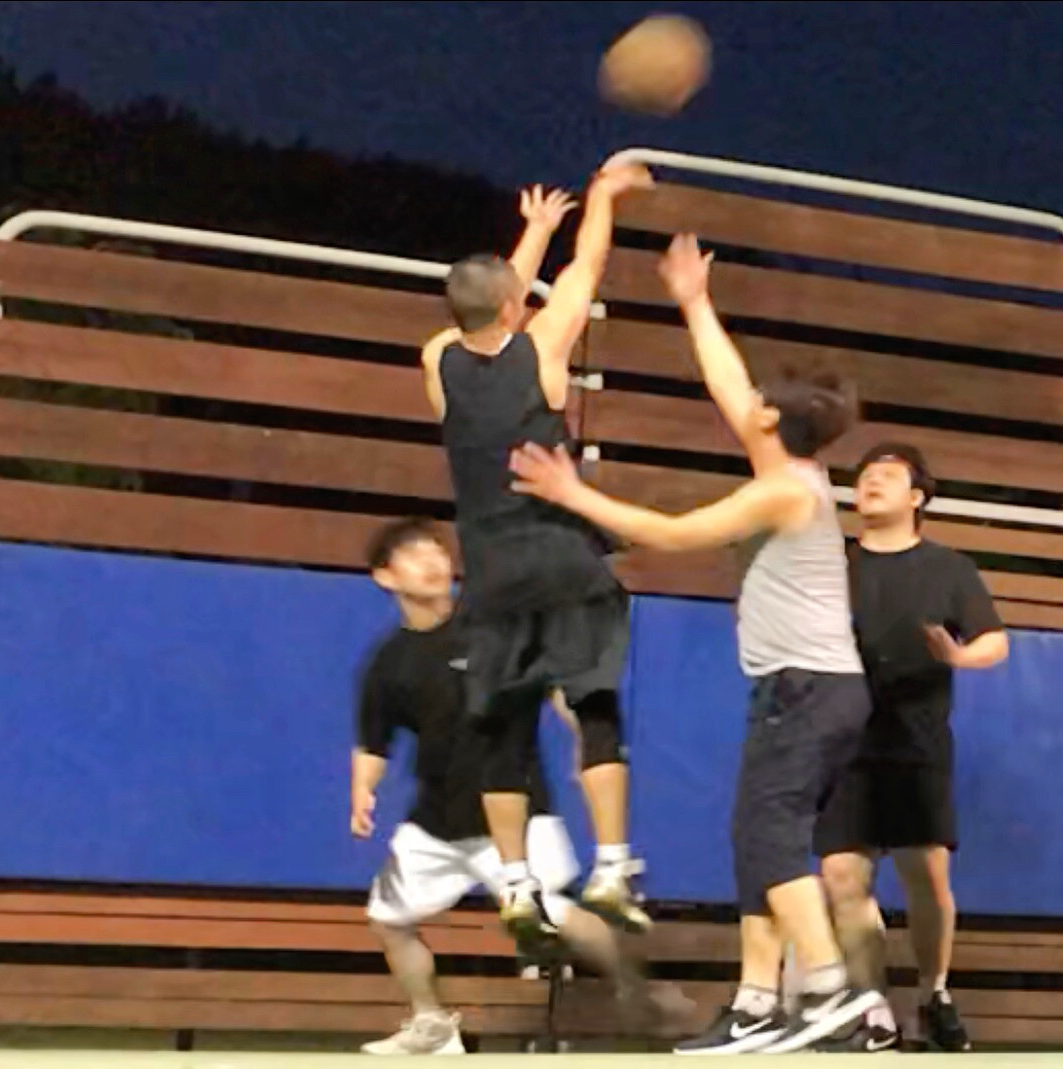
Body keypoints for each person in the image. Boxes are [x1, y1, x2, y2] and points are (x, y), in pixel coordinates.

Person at [510, 234, 884, 1054]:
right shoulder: (786, 464)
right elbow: (728, 385)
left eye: (758, 401)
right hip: (805, 686)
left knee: (770, 835)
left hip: (808, 686)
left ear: (771, 420)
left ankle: (827, 988)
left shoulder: (783, 490)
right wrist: (693, 301)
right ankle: (755, 1000)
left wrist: (572, 492)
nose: (744, 400)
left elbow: (673, 534)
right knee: (756, 838)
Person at [419, 167, 655, 944]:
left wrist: (534, 232)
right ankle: (612, 866)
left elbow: (495, 301)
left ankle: (516, 886)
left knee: (502, 729)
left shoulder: (437, 359)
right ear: (516, 306)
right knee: (594, 707)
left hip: (491, 573)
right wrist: (601, 199)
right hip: (562, 560)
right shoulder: (543, 350)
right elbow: (586, 269)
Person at [352, 518, 684, 1055]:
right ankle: (432, 1023)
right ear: (385, 578)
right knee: (388, 921)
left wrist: (586, 741)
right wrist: (363, 791)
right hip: (436, 821)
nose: (432, 562)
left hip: (515, 814)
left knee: (553, 909)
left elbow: (558, 693)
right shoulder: (388, 662)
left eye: (436, 551)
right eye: (413, 555)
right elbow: (373, 740)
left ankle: (637, 990)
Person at [812, 442, 1009, 1052]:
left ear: (917, 497)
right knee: (842, 874)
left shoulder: (948, 567)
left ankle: (934, 994)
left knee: (925, 873)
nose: (871, 482)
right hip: (841, 739)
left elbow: (994, 641)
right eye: (865, 475)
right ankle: (872, 1008)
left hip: (916, 739)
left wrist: (959, 656)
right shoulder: (832, 563)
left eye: (888, 476)